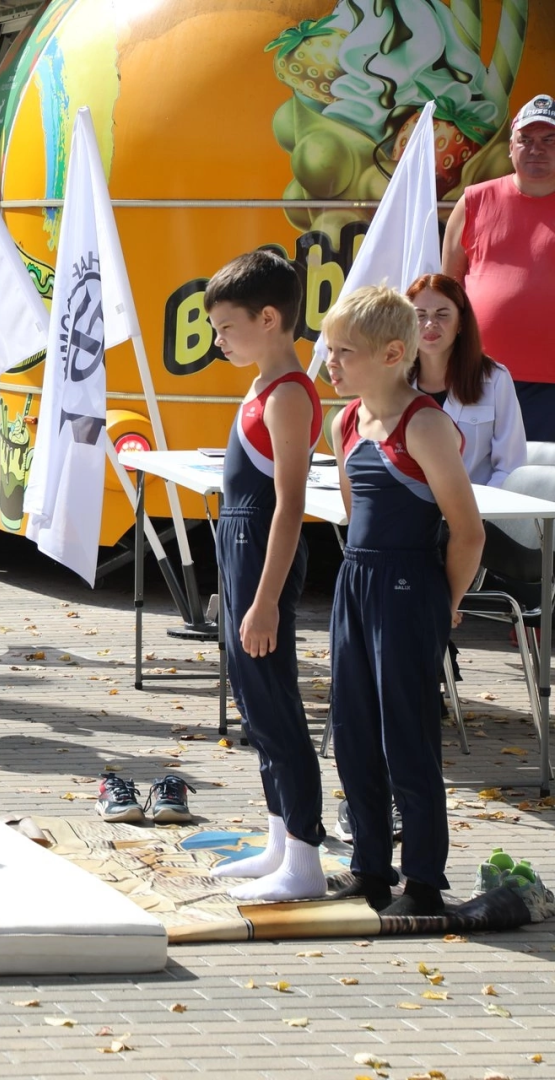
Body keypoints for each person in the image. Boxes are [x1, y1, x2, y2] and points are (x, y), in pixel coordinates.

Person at [323, 285, 485, 916]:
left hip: (409, 586)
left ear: (393, 354)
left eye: (344, 353)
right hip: (357, 584)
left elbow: (467, 531)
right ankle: (369, 867)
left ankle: (422, 882)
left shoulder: (426, 425)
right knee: (353, 730)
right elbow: (352, 508)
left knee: (407, 738)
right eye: (329, 350)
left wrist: (443, 602)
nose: (331, 364)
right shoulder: (347, 420)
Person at [196, 251, 327, 902]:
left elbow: (293, 505)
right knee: (254, 703)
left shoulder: (289, 395)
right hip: (241, 542)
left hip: (262, 544)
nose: (218, 340)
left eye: (225, 327)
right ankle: (280, 839)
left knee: (275, 706)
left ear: (269, 318)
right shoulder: (260, 384)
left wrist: (266, 599)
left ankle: (304, 858)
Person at [441, 94, 555, 440]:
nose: (536, 149)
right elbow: (448, 292)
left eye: (549, 140)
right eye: (526, 140)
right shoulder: (473, 201)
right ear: (511, 147)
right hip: (481, 380)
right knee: (482, 487)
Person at [406, 273, 526, 485]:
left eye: (442, 314)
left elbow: (510, 467)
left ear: (461, 322)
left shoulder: (495, 379)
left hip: (480, 512)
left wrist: (477, 514)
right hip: (408, 511)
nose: (430, 324)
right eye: (420, 315)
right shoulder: (394, 379)